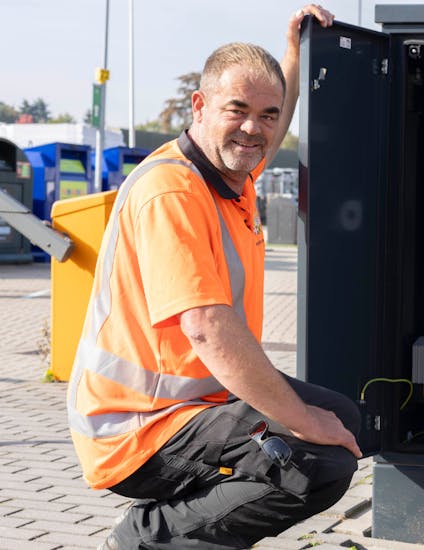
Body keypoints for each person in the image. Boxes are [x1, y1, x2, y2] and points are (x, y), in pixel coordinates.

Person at [65, 5, 364, 549]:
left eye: (266, 115)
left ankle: (196, 525)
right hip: (136, 425)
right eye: (237, 110)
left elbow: (269, 124)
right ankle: (145, 539)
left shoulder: (231, 173)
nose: (254, 128)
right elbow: (205, 326)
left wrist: (294, 53)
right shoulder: (172, 192)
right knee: (317, 460)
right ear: (199, 107)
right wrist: (300, 421)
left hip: (196, 403)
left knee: (341, 416)